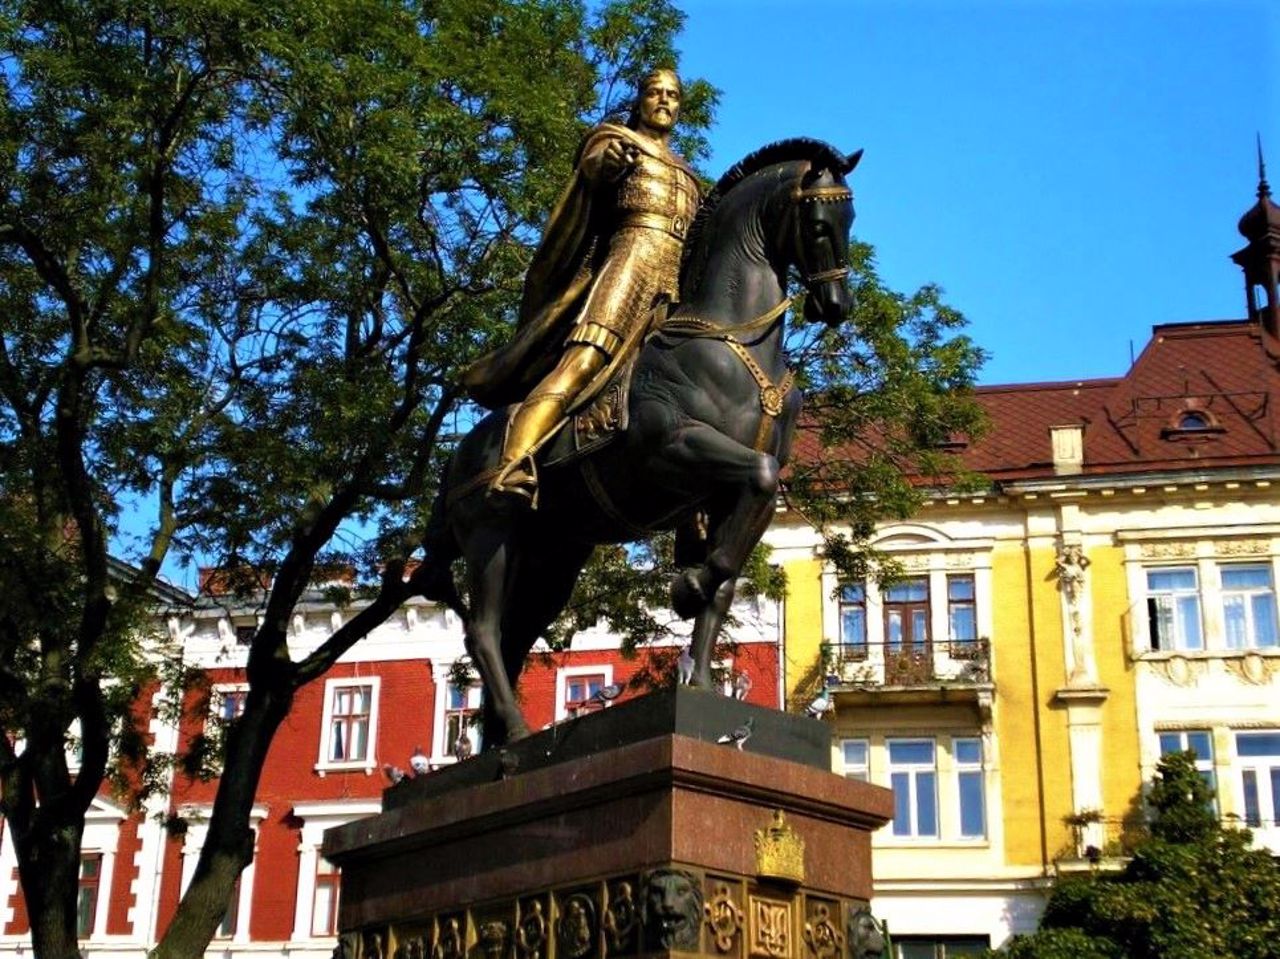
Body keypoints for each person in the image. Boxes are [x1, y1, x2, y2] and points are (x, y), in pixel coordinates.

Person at [462, 68, 700, 505]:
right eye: (655, 93)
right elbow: (594, 166)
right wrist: (606, 165)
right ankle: (513, 463)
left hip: (674, 284)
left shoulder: (689, 174)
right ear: (640, 101)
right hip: (628, 267)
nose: (664, 101)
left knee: (690, 383)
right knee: (584, 361)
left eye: (672, 95)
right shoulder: (615, 140)